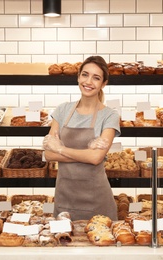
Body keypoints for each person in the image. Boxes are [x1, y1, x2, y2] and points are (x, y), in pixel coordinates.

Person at [43, 55, 121, 221]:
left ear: (103, 84)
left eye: (96, 78)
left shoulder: (110, 116)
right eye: (85, 75)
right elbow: (48, 155)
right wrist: (85, 154)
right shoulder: (62, 110)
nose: (88, 81)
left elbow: (95, 158)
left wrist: (60, 149)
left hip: (97, 199)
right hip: (65, 198)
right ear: (78, 77)